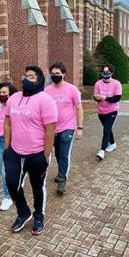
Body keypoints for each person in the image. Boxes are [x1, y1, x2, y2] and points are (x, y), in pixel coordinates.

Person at [4, 65, 57, 236]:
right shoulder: (14, 98)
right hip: (15, 152)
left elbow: (50, 129)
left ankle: (39, 216)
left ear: (39, 81)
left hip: (36, 154)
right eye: (25, 76)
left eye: (31, 77)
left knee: (37, 187)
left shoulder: (45, 99)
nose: (26, 79)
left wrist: (45, 155)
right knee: (12, 183)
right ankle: (23, 212)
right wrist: (7, 148)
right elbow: (7, 122)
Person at [45, 62, 83, 195]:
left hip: (67, 127)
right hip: (52, 129)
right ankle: (61, 172)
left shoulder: (72, 89)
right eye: (53, 74)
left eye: (58, 73)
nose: (55, 76)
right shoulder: (47, 91)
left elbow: (79, 108)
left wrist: (79, 128)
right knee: (58, 153)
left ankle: (62, 179)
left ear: (64, 74)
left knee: (64, 153)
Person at [0, 82, 18, 211]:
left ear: (11, 94)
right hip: (0, 141)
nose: (2, 95)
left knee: (4, 171)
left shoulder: (15, 107)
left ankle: (7, 197)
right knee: (0, 169)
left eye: (4, 93)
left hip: (11, 142)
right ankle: (15, 183)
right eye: (0, 93)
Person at [93, 65, 122, 160]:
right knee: (108, 129)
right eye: (104, 72)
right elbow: (95, 96)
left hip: (112, 110)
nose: (106, 74)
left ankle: (102, 151)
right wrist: (96, 98)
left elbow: (117, 98)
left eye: (108, 72)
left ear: (111, 73)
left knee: (106, 130)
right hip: (101, 111)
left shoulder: (116, 84)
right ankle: (113, 143)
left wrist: (105, 97)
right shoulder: (98, 84)